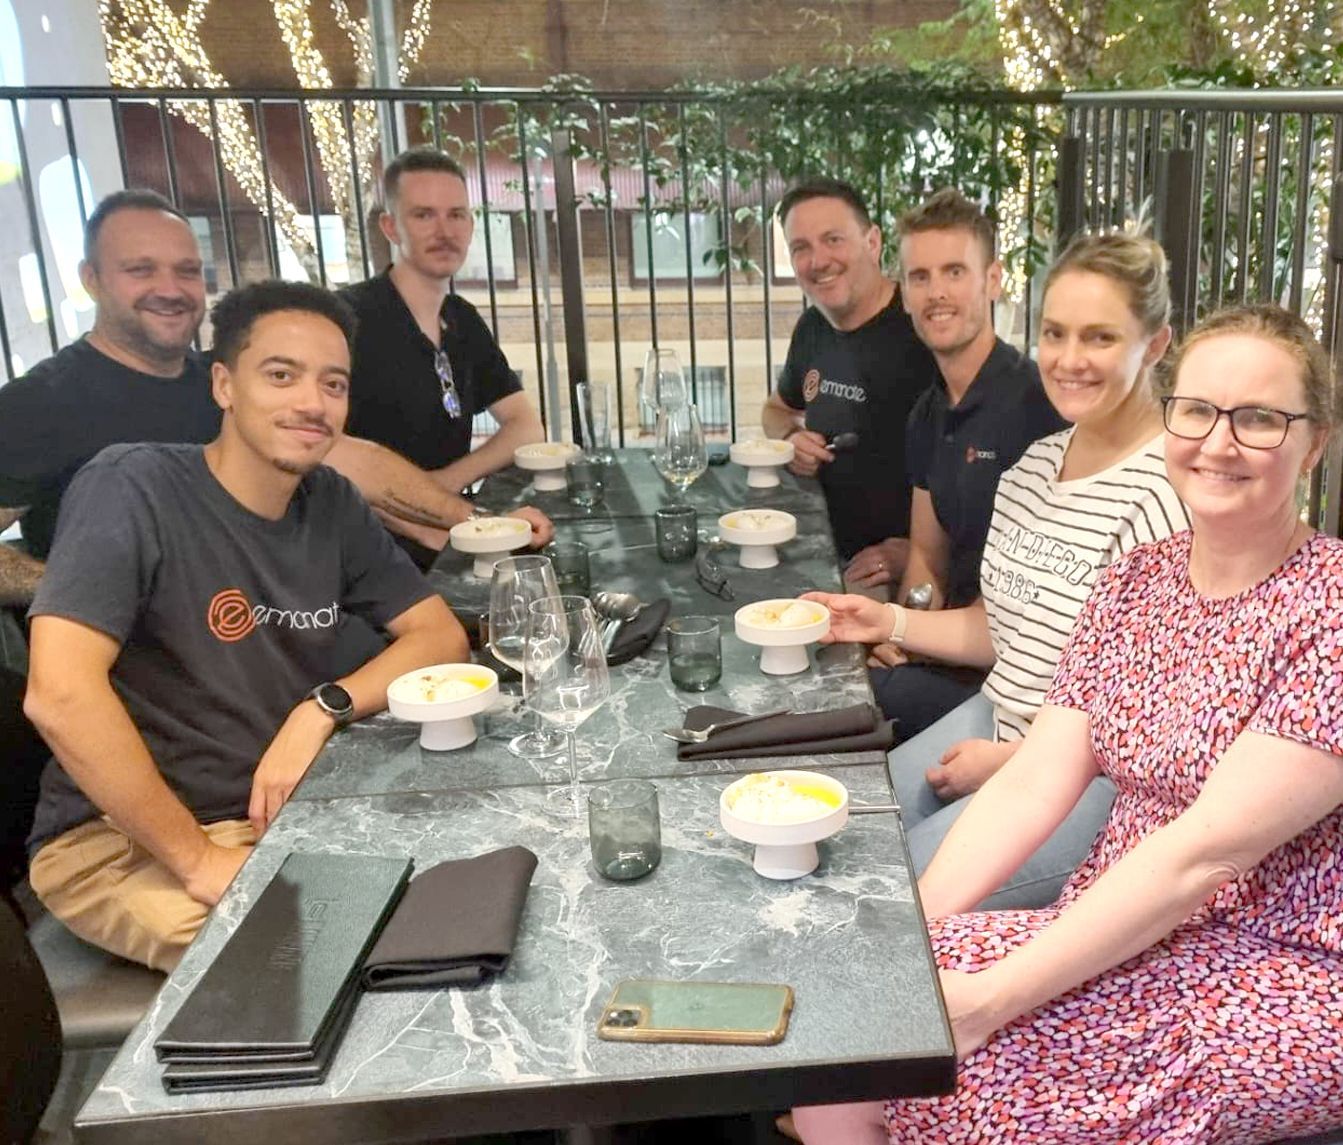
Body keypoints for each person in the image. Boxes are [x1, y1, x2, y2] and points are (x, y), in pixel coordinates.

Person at [794, 304, 1343, 1144]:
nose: (1218, 441)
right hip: (1118, 920)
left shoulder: (1329, 610)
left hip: (1274, 964)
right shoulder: (1136, 581)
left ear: (1313, 443)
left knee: (952, 1081)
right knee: (845, 1027)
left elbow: (1204, 855)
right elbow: (1036, 780)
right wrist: (917, 931)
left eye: (1259, 418)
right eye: (1196, 410)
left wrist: (992, 996)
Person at [22, 280, 468, 972]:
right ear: (224, 385)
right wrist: (198, 859)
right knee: (344, 962)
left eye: (333, 383)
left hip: (290, 811)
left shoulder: (330, 503)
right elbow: (59, 694)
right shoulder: (131, 486)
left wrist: (319, 710)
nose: (311, 403)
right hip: (126, 841)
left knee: (474, 901)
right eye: (281, 375)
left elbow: (438, 635)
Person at [808, 232, 1189, 909]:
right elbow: (1002, 631)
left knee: (883, 907)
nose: (1069, 359)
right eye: (1054, 332)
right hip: (996, 718)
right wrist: (888, 617)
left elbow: (1163, 719)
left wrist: (1014, 762)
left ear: (1154, 344)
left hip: (1093, 785)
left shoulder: (1169, 492)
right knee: (841, 839)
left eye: (1099, 338)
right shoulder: (1035, 465)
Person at [0, 188, 553, 607]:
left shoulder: (222, 379)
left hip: (296, 623)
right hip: (169, 684)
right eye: (140, 270)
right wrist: (85, 593)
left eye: (187, 270)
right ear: (91, 279)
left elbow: (354, 460)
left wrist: (485, 523)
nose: (169, 289)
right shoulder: (43, 402)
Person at [871, 189, 1066, 737]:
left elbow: (1039, 606)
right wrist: (902, 631)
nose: (937, 293)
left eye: (955, 272)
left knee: (858, 703)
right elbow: (927, 563)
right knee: (849, 678)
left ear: (993, 279)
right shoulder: (926, 414)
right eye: (920, 277)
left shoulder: (1040, 406)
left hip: (1023, 686)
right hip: (952, 650)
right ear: (904, 294)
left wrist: (905, 632)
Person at [341, 147, 545, 510]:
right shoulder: (349, 317)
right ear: (391, 227)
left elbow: (526, 428)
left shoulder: (462, 319)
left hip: (449, 519)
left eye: (456, 215)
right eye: (423, 215)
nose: (444, 231)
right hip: (368, 532)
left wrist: (445, 484)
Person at [761, 177, 939, 580]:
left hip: (889, 572)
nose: (817, 260)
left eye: (833, 239)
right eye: (800, 248)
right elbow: (775, 410)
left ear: (873, 242)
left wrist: (917, 553)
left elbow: (981, 467)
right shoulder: (812, 327)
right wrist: (790, 437)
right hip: (815, 544)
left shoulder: (926, 331)